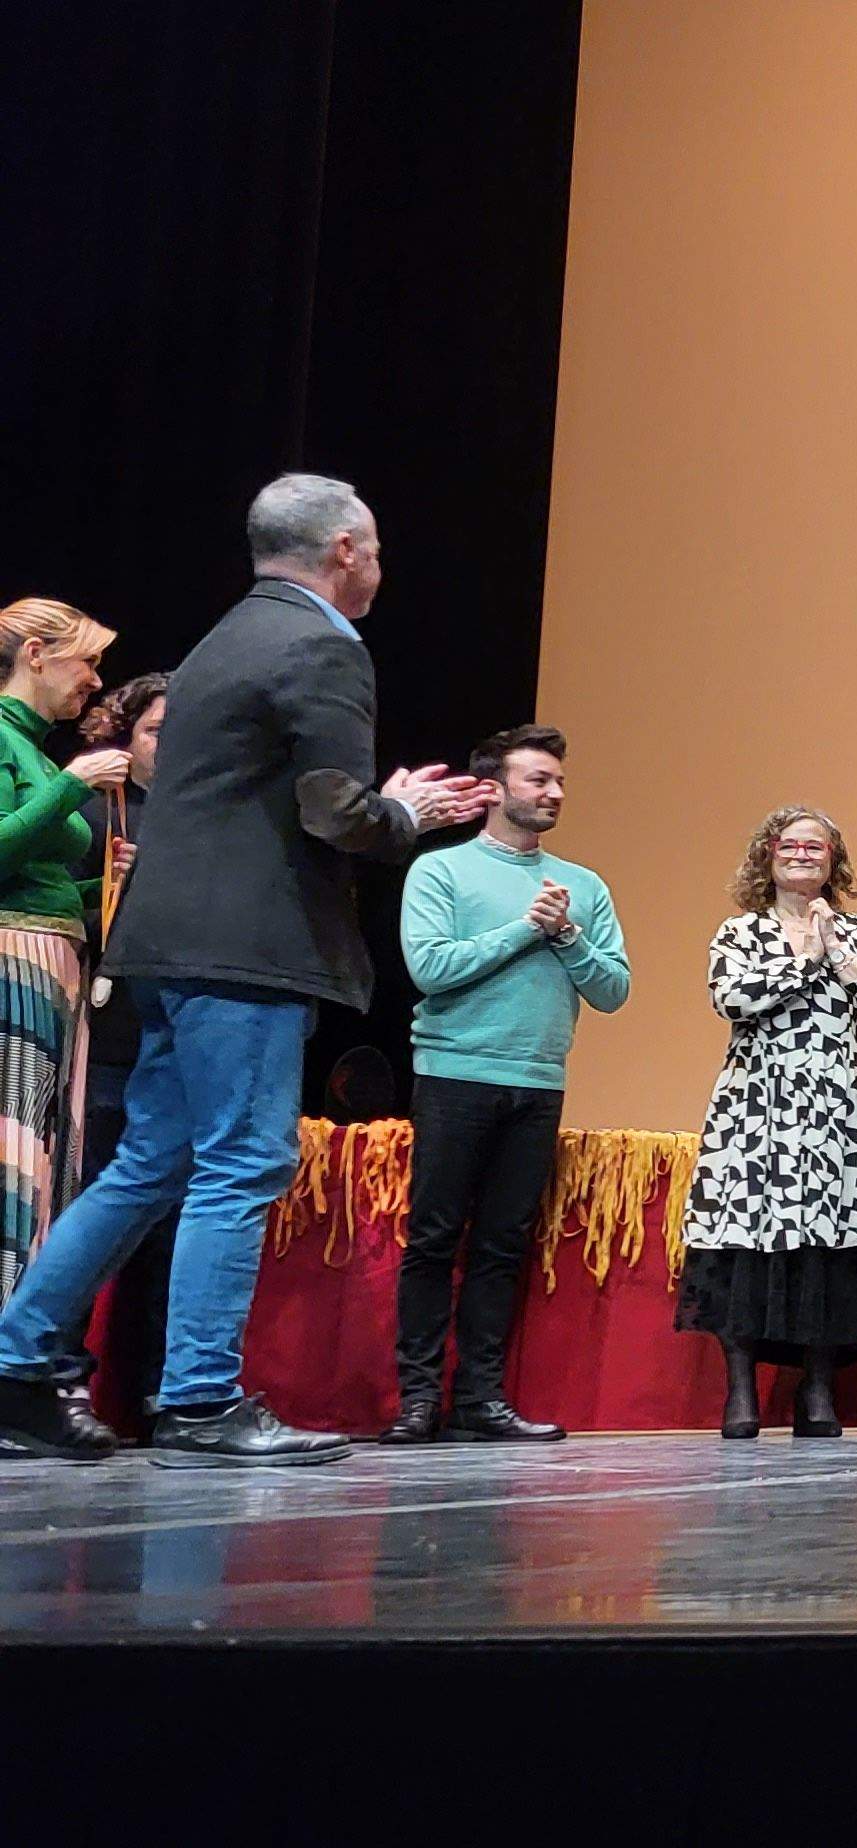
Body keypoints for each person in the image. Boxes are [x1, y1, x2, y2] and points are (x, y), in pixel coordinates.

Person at [0, 476, 491, 1466]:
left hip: (170, 939)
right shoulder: (322, 644)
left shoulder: (224, 639)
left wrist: (371, 802)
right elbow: (331, 812)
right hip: (248, 948)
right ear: (347, 551)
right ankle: (198, 1399)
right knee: (243, 1160)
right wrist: (406, 817)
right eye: (379, 551)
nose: (380, 569)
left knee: (149, 1164)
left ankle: (19, 1370)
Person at [383, 725, 629, 1445]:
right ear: (492, 789)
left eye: (558, 782)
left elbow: (614, 991)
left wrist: (569, 936)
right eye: (537, 780)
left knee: (501, 1245)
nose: (553, 793)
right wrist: (528, 929)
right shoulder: (441, 872)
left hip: (538, 1080)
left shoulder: (583, 887)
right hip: (455, 1075)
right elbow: (431, 969)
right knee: (433, 1240)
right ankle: (418, 1399)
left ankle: (480, 1399)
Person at [673, 807, 857, 1440]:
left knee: (832, 1254)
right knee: (745, 1249)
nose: (802, 854)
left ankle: (819, 1390)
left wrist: (837, 951)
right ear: (767, 855)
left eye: (817, 847)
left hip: (840, 1117)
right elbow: (732, 997)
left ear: (835, 862)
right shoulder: (740, 931)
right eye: (790, 844)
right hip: (758, 1116)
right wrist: (803, 959)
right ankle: (741, 1393)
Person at [0, 599, 129, 1302]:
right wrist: (71, 787)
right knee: (10, 1152)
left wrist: (107, 891)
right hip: (12, 971)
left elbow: (43, 884)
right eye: (87, 661)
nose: (94, 682)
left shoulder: (34, 752)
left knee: (39, 1156)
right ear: (36, 654)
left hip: (48, 968)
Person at [57, 670, 171, 1427]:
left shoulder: (199, 819)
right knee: (92, 1216)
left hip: (173, 1048)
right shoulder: (98, 811)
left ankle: (147, 1392)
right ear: (124, 735)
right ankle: (60, 1377)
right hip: (102, 1044)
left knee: (162, 1235)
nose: (173, 744)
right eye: (159, 728)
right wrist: (115, 893)